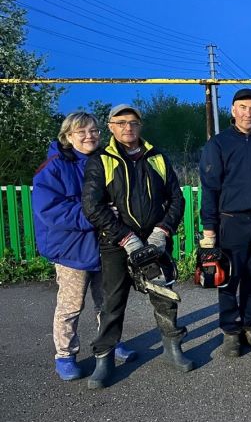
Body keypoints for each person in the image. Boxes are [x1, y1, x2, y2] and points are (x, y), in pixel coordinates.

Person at [82, 104, 193, 389]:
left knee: (164, 297)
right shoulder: (101, 160)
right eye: (120, 123)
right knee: (112, 302)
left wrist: (162, 231)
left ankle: (172, 349)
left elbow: (176, 198)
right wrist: (125, 238)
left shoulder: (157, 157)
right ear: (111, 126)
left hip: (154, 241)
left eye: (132, 122)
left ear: (140, 125)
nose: (127, 128)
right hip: (116, 244)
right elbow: (92, 206)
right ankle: (104, 359)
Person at [32, 112, 137, 381]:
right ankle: (65, 355)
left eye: (93, 130)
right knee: (70, 306)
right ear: (68, 136)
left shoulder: (105, 160)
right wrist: (95, 215)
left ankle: (109, 343)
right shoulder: (54, 168)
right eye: (82, 132)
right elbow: (51, 211)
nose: (89, 135)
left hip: (104, 244)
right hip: (71, 249)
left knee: (107, 302)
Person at [199, 88, 251, 356]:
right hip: (230, 222)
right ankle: (231, 331)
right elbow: (210, 188)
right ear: (233, 110)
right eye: (243, 107)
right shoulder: (218, 144)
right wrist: (209, 230)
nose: (249, 113)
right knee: (229, 279)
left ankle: (249, 325)